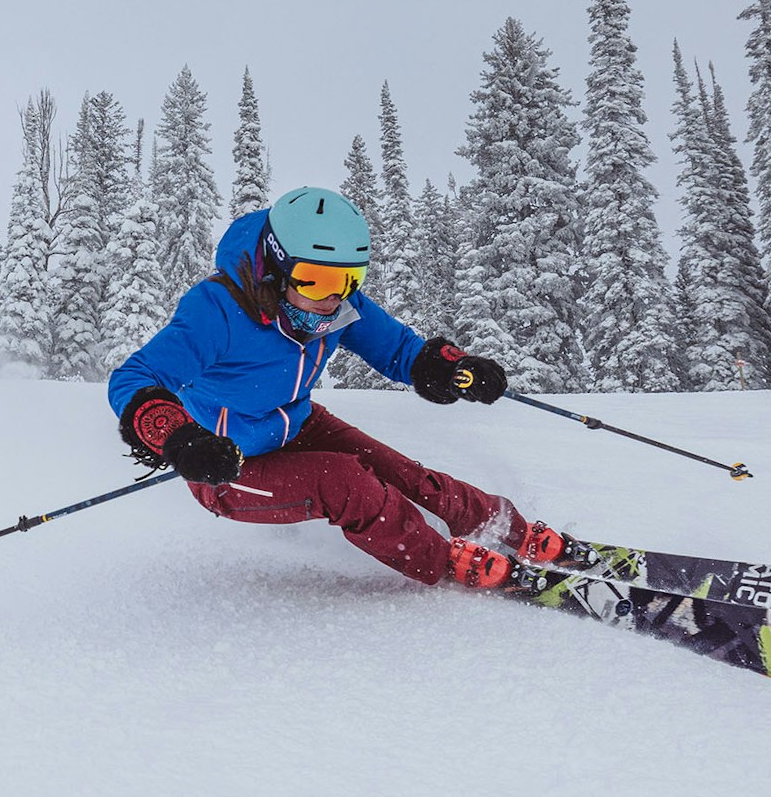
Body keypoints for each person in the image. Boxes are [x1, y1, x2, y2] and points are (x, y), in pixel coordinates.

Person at [106, 186, 571, 590]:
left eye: (350, 279)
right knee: (344, 483)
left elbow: (400, 351)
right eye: (318, 279)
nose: (334, 296)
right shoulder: (218, 310)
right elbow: (135, 378)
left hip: (296, 424)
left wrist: (450, 368)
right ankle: (440, 558)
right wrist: (180, 438)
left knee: (401, 471)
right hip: (227, 465)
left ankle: (505, 525)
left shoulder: (336, 307)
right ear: (276, 268)